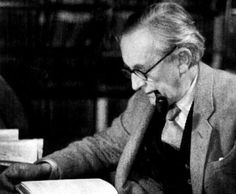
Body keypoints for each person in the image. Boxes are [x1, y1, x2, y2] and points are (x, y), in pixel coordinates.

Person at [0, 2, 236, 194]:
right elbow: (101, 147)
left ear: (182, 59)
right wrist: (46, 168)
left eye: (142, 71)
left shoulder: (231, 102)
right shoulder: (146, 100)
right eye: (130, 71)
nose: (135, 85)